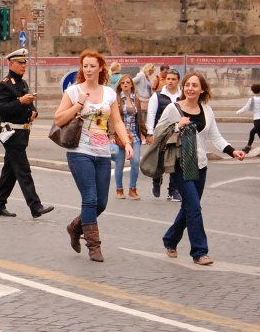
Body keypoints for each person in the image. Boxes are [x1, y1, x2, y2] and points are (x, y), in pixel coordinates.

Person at [156, 73, 245, 265]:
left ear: (202, 89)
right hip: (181, 165)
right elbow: (158, 133)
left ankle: (170, 239)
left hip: (200, 165)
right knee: (194, 207)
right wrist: (178, 126)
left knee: (189, 207)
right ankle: (199, 252)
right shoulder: (173, 109)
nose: (190, 88)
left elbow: (216, 136)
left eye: (194, 85)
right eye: (187, 85)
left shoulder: (207, 110)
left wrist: (232, 151)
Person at [55, 50, 133, 263]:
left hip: (102, 153)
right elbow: (59, 118)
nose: (88, 70)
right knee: (89, 199)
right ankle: (94, 247)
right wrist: (79, 104)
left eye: (92, 66)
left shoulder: (109, 93)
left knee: (101, 203)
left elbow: (116, 122)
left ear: (100, 68)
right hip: (79, 152)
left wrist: (126, 142)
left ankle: (75, 227)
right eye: (85, 66)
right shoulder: (73, 92)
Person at [0, 48, 54, 218]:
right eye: (20, 63)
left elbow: (28, 104)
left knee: (10, 172)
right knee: (23, 170)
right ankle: (35, 206)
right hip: (11, 134)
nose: (23, 66)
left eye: (25, 63)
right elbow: (0, 109)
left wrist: (33, 111)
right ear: (10, 64)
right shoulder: (4, 84)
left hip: (22, 134)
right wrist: (20, 101)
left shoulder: (23, 84)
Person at [146, 69, 182, 202]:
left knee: (175, 161)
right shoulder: (157, 96)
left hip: (178, 132)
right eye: (168, 79)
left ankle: (173, 191)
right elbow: (151, 114)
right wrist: (150, 133)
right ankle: (156, 180)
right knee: (159, 159)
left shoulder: (182, 95)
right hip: (161, 133)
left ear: (178, 80)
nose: (170, 81)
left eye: (173, 79)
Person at [111, 74, 146, 200]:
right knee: (119, 164)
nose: (125, 84)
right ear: (120, 85)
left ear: (131, 84)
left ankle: (133, 189)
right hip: (120, 137)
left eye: (127, 82)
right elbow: (112, 119)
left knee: (135, 162)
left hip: (134, 136)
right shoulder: (116, 99)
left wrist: (146, 133)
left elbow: (140, 118)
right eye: (123, 83)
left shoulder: (136, 99)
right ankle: (119, 189)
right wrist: (111, 135)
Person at [237, 83, 260, 158]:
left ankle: (248, 148)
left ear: (252, 91)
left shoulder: (252, 99)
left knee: (254, 133)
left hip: (258, 120)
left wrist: (238, 112)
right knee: (259, 134)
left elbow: (246, 107)